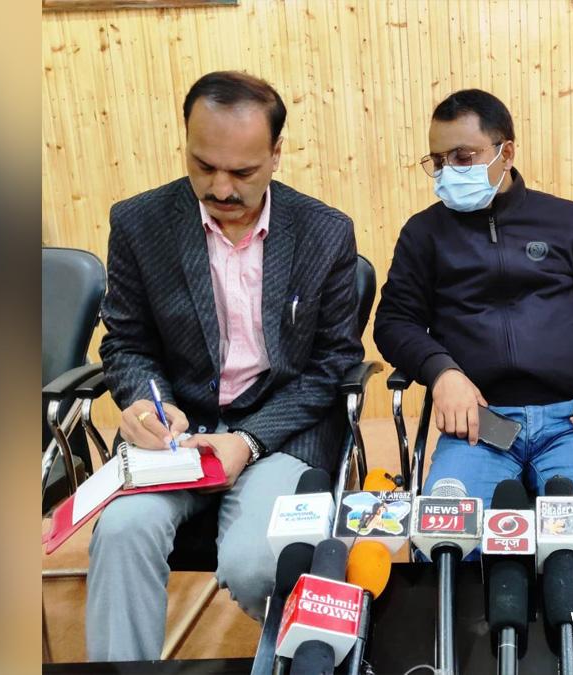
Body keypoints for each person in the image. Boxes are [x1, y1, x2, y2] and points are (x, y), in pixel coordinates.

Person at [86, 71, 363, 660]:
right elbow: (126, 343)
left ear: (276, 155)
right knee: (121, 532)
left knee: (258, 561)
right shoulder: (140, 224)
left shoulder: (324, 232)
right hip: (177, 436)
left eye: (242, 172)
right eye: (203, 165)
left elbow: (334, 364)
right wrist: (146, 403)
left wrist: (248, 440)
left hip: (280, 431)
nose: (220, 187)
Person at [374, 89, 573, 507]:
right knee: (449, 538)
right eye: (439, 161)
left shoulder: (568, 221)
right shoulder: (424, 234)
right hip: (476, 424)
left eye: (462, 157)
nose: (448, 171)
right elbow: (394, 322)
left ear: (507, 153)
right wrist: (441, 372)